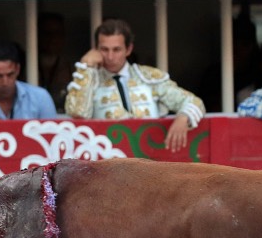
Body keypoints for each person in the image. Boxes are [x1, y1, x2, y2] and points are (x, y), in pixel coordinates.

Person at [65, 18, 205, 152]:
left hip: (148, 162)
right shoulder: (90, 79)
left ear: (129, 49)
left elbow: (195, 102)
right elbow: (78, 113)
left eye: (116, 50)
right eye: (104, 49)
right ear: (96, 49)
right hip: (107, 165)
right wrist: (86, 67)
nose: (110, 57)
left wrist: (183, 117)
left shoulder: (147, 77)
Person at [0, 40, 57, 119]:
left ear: (18, 69)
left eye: (10, 75)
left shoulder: (40, 98)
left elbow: (51, 130)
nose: (5, 82)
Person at [37, 12, 74, 111]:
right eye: (47, 33)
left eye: (58, 33)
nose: (53, 38)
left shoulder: (73, 69)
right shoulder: (26, 66)